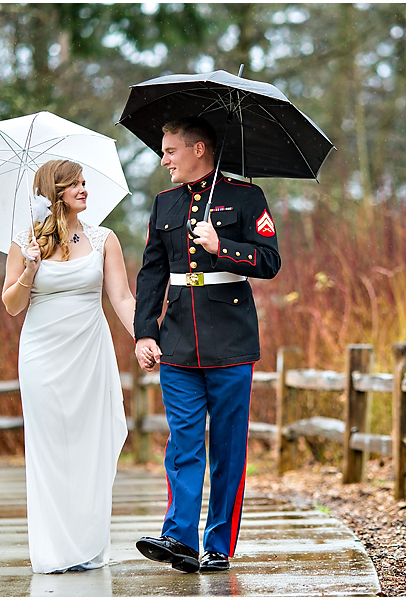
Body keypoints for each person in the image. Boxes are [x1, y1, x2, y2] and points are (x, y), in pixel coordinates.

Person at [133, 116, 281, 573]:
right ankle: (179, 538)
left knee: (228, 448)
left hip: (232, 342)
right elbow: (152, 272)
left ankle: (219, 544)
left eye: (171, 150)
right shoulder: (164, 204)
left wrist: (224, 246)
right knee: (183, 443)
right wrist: (145, 332)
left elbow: (271, 262)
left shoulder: (246, 196)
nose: (164, 159)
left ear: (199, 149)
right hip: (177, 339)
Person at [2, 159, 150, 574]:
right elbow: (12, 305)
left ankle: (87, 544)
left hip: (90, 353)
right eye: (75, 184)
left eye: (85, 182)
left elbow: (121, 298)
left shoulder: (104, 239)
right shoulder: (24, 240)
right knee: (50, 449)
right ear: (55, 191)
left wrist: (143, 335)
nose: (84, 189)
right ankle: (53, 550)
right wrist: (30, 267)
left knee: (92, 445)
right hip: (41, 355)